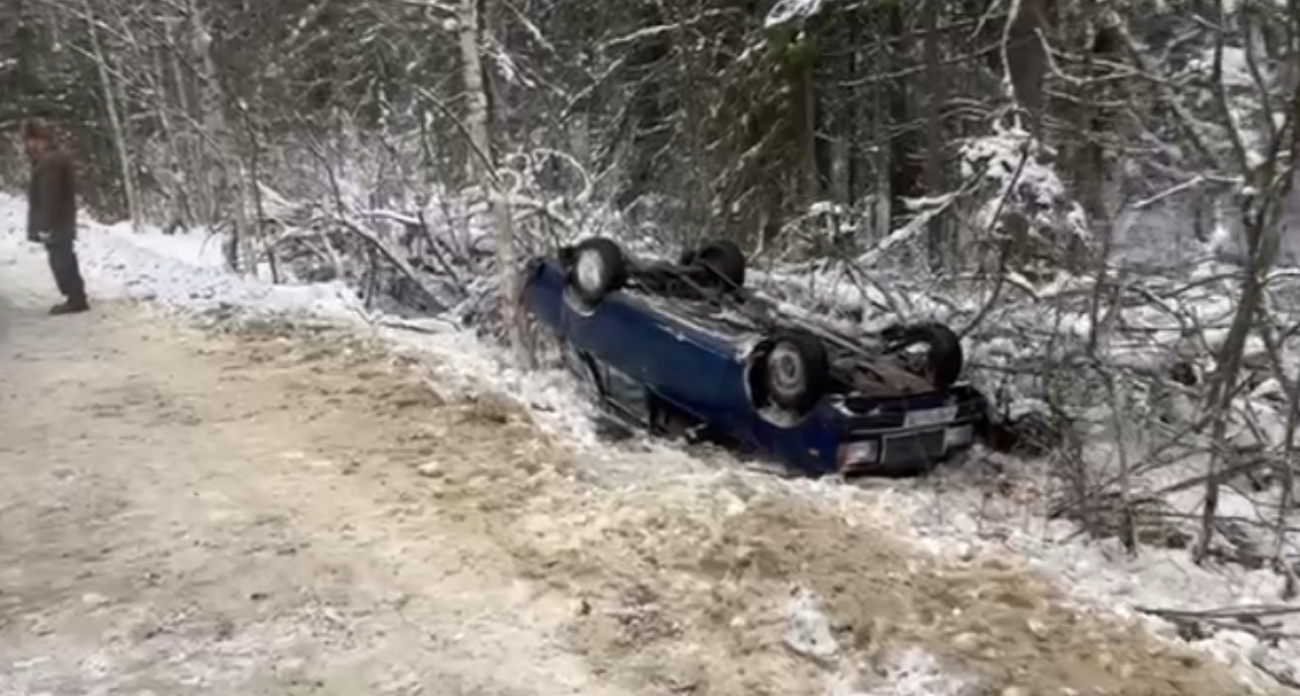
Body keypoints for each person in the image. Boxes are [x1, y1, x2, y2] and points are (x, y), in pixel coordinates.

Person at [24, 120, 89, 315]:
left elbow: (49, 195)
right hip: (61, 218)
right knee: (63, 256)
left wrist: (45, 224)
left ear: (41, 140)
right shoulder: (52, 159)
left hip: (57, 220)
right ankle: (76, 295)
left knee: (60, 259)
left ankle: (75, 298)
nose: (30, 146)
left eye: (33, 141)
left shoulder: (50, 162)